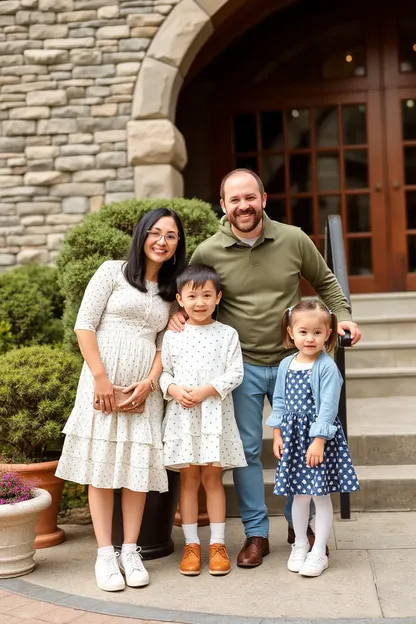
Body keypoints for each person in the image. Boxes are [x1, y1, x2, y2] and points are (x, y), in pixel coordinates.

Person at [168, 168, 362, 568]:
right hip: (242, 366)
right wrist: (174, 316)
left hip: (297, 364)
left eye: (250, 197)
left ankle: (299, 526)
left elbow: (326, 283)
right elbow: (190, 292)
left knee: (298, 446)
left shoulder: (293, 239)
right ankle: (257, 533)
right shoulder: (208, 250)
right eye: (234, 200)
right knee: (248, 452)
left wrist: (342, 316)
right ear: (223, 205)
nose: (243, 206)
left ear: (263, 198)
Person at [56, 208, 186, 592]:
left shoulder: (170, 289)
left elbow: (165, 344)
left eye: (172, 236)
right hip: (102, 384)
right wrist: (101, 380)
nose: (162, 241)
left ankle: (131, 550)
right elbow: (85, 325)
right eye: (156, 233)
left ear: (179, 245)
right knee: (101, 468)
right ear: (142, 234)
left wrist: (148, 383)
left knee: (135, 471)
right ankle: (105, 554)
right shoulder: (111, 271)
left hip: (143, 391)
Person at [160, 264, 246, 577]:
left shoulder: (227, 334)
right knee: (189, 479)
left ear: (218, 297)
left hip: (214, 415)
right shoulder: (173, 336)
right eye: (192, 295)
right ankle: (192, 545)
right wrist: (172, 388)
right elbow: (164, 371)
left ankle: (218, 545)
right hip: (183, 415)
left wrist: (208, 390)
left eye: (207, 295)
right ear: (180, 300)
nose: (200, 302)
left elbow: (236, 373)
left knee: (213, 478)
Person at [267, 300, 359, 577]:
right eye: (303, 332)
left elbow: (329, 407)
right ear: (291, 332)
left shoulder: (327, 367)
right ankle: (299, 544)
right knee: (299, 495)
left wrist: (318, 440)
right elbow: (279, 401)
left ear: (328, 333)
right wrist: (277, 432)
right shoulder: (286, 364)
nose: (310, 338)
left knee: (319, 495)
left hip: (318, 438)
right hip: (293, 437)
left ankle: (319, 550)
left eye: (317, 332)